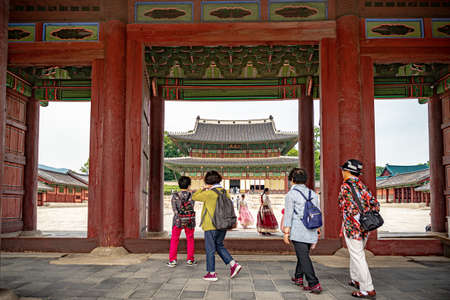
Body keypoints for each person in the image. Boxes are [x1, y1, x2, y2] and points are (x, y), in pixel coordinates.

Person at [339, 159, 380, 299]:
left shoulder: (345, 186)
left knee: (358, 256)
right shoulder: (363, 186)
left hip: (353, 227)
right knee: (357, 253)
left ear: (347, 171)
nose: (342, 172)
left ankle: (367, 288)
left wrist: (350, 222)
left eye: (343, 170)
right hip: (365, 226)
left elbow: (347, 208)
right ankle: (356, 278)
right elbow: (375, 204)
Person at [192, 170, 242, 281]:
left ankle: (211, 273)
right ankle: (233, 264)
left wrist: (203, 188)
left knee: (210, 249)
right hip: (223, 224)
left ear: (208, 182)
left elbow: (194, 196)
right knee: (219, 245)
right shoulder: (224, 191)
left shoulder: (209, 193)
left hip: (211, 225)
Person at [283, 168, 322, 293]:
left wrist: (286, 232)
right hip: (311, 229)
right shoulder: (313, 194)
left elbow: (288, 214)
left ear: (292, 180)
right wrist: (317, 231)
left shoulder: (291, 194)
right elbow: (317, 213)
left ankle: (313, 283)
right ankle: (298, 277)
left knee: (303, 256)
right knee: (303, 254)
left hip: (298, 229)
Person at [168, 176, 196, 267]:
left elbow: (174, 209)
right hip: (189, 220)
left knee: (174, 239)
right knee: (190, 239)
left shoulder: (175, 196)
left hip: (178, 220)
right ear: (189, 185)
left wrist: (178, 214)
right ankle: (190, 260)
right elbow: (192, 206)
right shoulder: (192, 195)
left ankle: (172, 260)